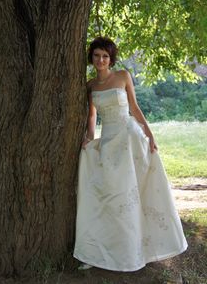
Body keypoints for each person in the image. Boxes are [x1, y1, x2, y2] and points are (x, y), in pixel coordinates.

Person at [73, 36, 187, 272]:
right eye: (96, 55)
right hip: (108, 141)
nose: (101, 60)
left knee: (132, 193)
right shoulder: (91, 86)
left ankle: (141, 249)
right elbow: (92, 115)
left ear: (110, 58)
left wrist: (150, 134)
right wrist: (89, 137)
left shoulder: (123, 76)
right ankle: (106, 250)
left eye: (105, 56)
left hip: (129, 137)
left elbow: (134, 108)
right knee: (112, 195)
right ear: (91, 58)